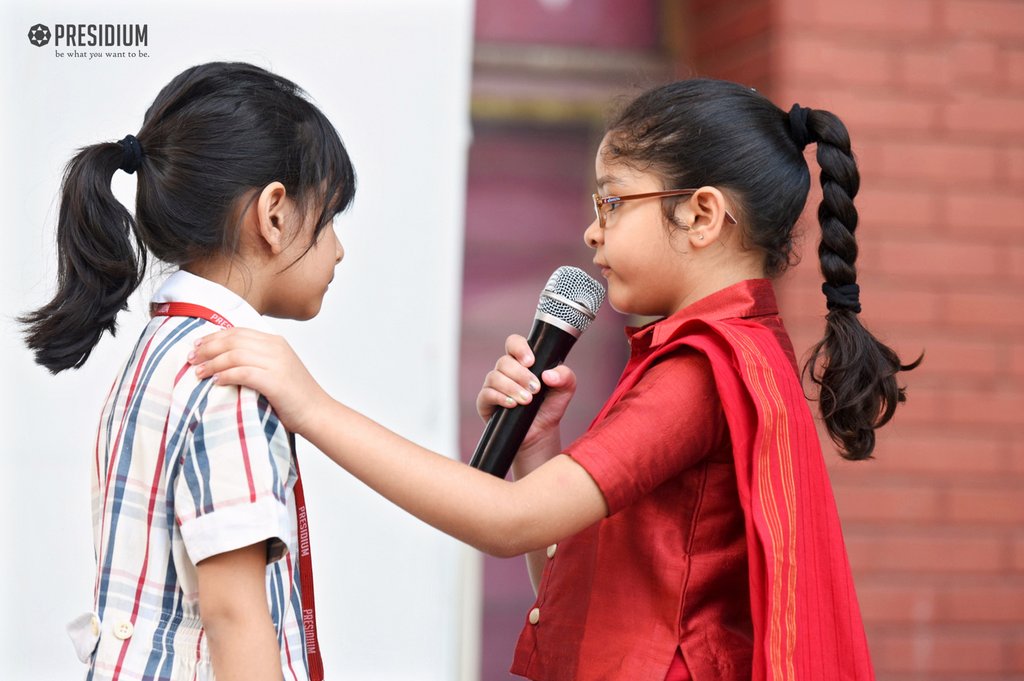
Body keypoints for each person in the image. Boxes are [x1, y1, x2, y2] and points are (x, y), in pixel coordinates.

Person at [189, 78, 918, 681]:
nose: (591, 232)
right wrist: (540, 448)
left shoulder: (700, 371)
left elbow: (508, 524)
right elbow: (590, 591)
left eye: (611, 201)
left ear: (701, 215)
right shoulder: (725, 353)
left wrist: (310, 406)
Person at [21, 61, 355, 681]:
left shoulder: (159, 350)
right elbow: (234, 617)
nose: (339, 248)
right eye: (331, 217)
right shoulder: (228, 375)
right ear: (275, 215)